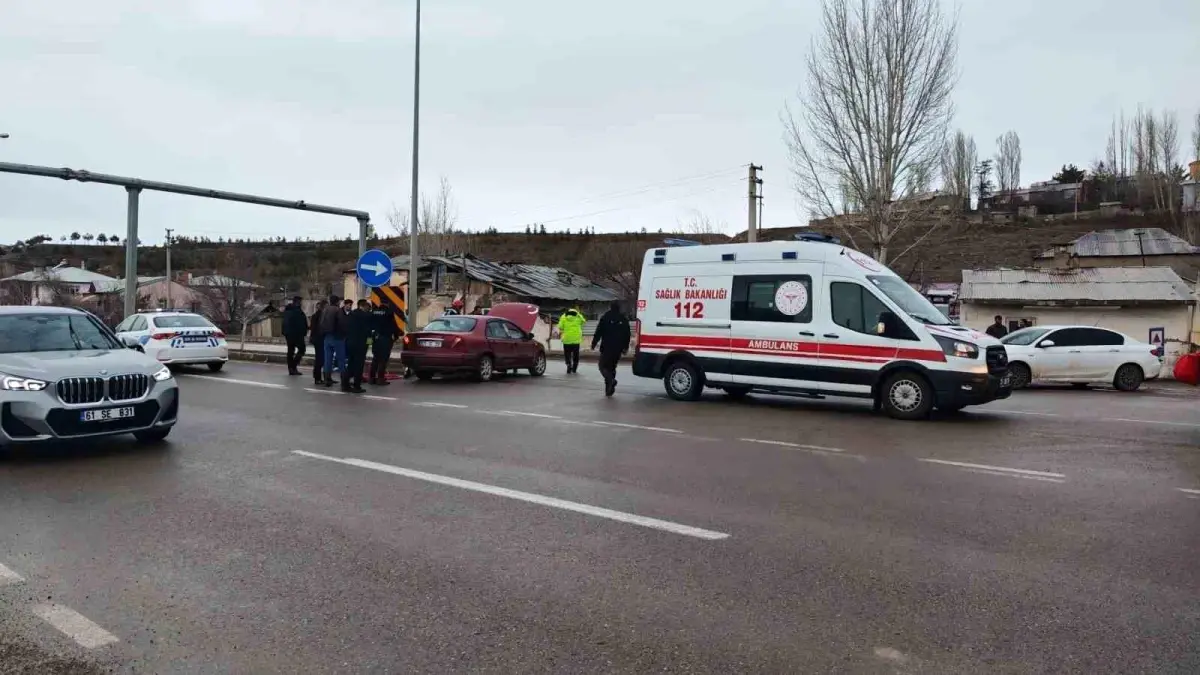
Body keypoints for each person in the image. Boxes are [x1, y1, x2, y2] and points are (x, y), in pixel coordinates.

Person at [591, 300, 631, 397]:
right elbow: (627, 334)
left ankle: (611, 381)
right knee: (612, 368)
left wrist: (594, 343)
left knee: (602, 367)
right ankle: (609, 389)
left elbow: (599, 331)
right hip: (618, 348)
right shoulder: (623, 319)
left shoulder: (605, 317)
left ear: (610, 307)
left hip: (607, 347)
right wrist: (625, 347)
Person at [319, 296, 349, 387]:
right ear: (338, 302)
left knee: (328, 359)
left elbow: (321, 322)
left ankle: (327, 379)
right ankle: (344, 382)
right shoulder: (338, 310)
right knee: (341, 359)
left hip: (327, 337)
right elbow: (342, 323)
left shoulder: (325, 310)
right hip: (338, 337)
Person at [368, 298, 399, 385]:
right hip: (385, 338)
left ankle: (371, 378)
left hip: (375, 338)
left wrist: (369, 341)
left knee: (375, 358)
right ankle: (380, 379)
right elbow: (393, 326)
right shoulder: (389, 312)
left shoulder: (373, 312)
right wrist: (396, 336)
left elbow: (369, 326)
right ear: (387, 304)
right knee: (383, 359)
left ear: (380, 303)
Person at [344, 299, 373, 393]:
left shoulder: (351, 314)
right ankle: (357, 386)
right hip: (360, 344)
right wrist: (369, 344)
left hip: (350, 343)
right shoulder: (366, 316)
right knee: (359, 365)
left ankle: (345, 385)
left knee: (351, 364)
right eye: (368, 307)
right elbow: (369, 332)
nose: (368, 309)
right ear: (364, 306)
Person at [281, 296, 308, 376]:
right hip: (296, 334)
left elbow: (284, 323)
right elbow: (301, 323)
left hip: (288, 334)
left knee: (290, 351)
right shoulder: (297, 311)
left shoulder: (288, 310)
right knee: (302, 349)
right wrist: (304, 332)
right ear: (298, 302)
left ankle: (291, 368)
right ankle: (293, 366)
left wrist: (285, 332)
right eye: (301, 302)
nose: (302, 303)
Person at [557, 307, 585, 374]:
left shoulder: (564, 317)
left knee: (567, 354)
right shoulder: (578, 317)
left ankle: (569, 364)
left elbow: (560, 327)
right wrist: (578, 314)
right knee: (576, 354)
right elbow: (583, 321)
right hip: (576, 340)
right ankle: (574, 368)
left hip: (567, 339)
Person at [308, 299, 327, 385]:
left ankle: (318, 377)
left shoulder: (315, 315)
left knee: (320, 358)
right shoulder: (321, 316)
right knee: (320, 359)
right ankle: (317, 377)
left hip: (316, 339)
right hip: (319, 339)